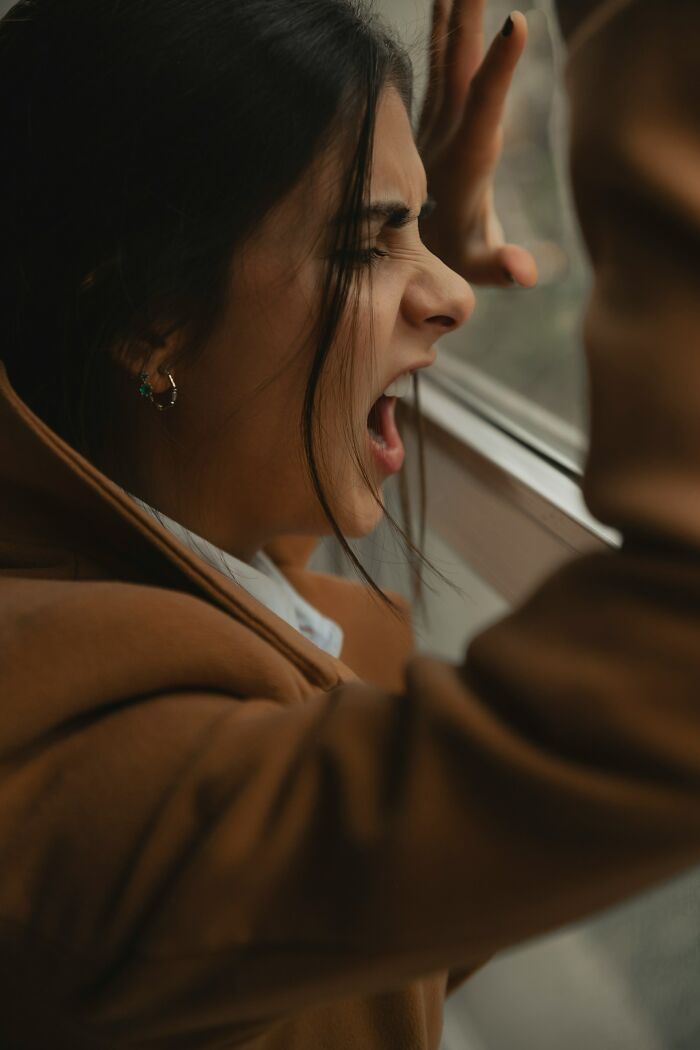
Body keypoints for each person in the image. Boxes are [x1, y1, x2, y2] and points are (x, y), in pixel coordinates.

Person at [0, 0, 698, 1047]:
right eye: (363, 240)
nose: (458, 294)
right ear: (152, 312)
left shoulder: (119, 572)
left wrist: (396, 245)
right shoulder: (64, 779)